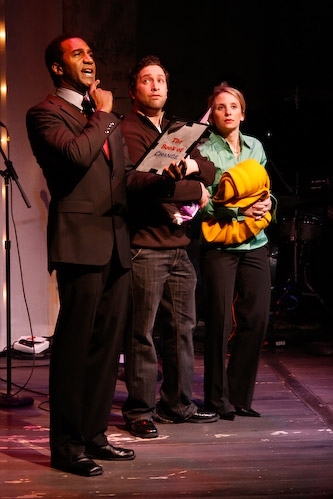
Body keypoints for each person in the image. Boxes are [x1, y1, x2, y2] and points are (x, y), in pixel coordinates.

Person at [26, 33, 135, 477]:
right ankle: (66, 446)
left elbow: (121, 174)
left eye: (91, 53)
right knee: (74, 349)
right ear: (57, 67)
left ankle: (93, 434)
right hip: (79, 241)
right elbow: (75, 155)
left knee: (108, 348)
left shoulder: (99, 116)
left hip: (116, 240)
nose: (90, 59)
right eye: (78, 54)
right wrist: (106, 114)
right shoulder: (45, 113)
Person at [120, 55, 218, 439]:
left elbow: (208, 170)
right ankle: (139, 410)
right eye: (147, 80)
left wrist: (192, 171)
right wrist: (192, 188)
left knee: (182, 328)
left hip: (179, 245)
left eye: (161, 79)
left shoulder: (179, 130)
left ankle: (177, 404)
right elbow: (137, 183)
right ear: (134, 90)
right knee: (142, 332)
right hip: (146, 245)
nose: (156, 86)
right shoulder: (128, 129)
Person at [198, 82, 275, 421]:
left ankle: (239, 395)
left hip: (254, 242)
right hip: (220, 243)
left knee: (256, 319)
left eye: (233, 106)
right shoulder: (202, 149)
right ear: (212, 115)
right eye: (220, 107)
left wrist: (265, 204)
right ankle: (216, 400)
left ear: (243, 113)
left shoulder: (255, 147)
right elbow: (204, 203)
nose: (227, 112)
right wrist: (239, 211)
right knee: (218, 320)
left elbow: (263, 188)